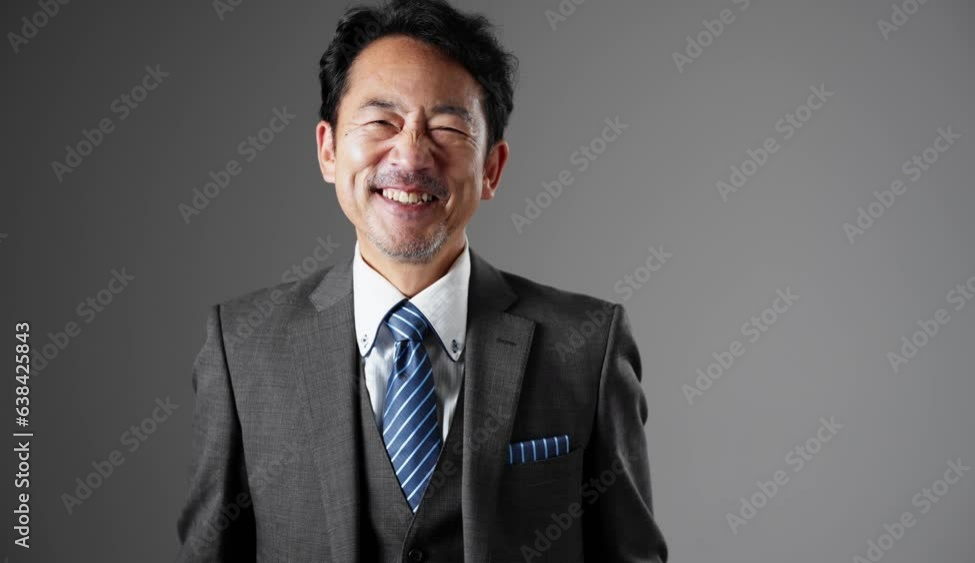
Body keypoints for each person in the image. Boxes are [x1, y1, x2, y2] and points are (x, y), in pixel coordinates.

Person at [175, 0, 667, 560]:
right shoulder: (243, 348)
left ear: (492, 169)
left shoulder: (587, 346)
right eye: (381, 121)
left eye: (448, 127)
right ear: (328, 149)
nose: (410, 155)